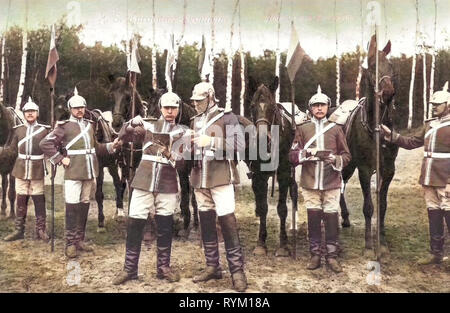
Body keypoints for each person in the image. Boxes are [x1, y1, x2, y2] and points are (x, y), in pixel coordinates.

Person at [112, 91, 187, 285]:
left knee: (165, 225)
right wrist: (130, 123)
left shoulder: (182, 131)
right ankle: (130, 269)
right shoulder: (148, 126)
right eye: (166, 107)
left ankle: (163, 268)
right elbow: (125, 136)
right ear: (160, 108)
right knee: (135, 221)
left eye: (174, 108)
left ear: (178, 109)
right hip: (144, 179)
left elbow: (182, 165)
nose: (170, 111)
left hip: (167, 182)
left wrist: (170, 154)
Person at [39, 88, 119, 258]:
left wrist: (112, 146)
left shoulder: (90, 126)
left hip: (90, 172)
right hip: (73, 172)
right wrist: (60, 158)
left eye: (82, 107)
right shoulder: (63, 127)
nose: (79, 111)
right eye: (76, 108)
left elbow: (96, 148)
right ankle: (70, 243)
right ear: (70, 109)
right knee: (72, 206)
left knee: (84, 205)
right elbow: (45, 144)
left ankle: (80, 240)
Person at [381, 82, 450, 265]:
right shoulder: (429, 125)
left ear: (448, 105)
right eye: (433, 105)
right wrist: (392, 136)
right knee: (433, 214)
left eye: (438, 105)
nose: (434, 107)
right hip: (428, 178)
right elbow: (412, 142)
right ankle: (435, 253)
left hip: (446, 180)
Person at [189, 81, 247, 292]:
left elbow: (240, 146)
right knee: (206, 222)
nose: (196, 105)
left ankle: (238, 271)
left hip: (221, 177)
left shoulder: (228, 117)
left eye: (200, 101)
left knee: (228, 223)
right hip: (199, 177)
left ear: (211, 98)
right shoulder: (193, 120)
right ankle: (212, 266)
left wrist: (211, 141)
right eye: (194, 101)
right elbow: (191, 149)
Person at [289, 85, 351, 273]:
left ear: (328, 107)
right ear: (310, 108)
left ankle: (331, 255)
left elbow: (347, 156)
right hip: (310, 181)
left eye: (322, 105)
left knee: (332, 217)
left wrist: (335, 159)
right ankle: (315, 254)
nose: (319, 109)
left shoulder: (336, 129)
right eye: (315, 105)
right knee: (313, 217)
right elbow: (292, 156)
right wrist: (304, 154)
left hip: (331, 180)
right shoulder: (302, 129)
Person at [2, 97, 51, 242]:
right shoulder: (17, 131)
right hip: (21, 168)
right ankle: (19, 230)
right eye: (27, 111)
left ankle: (41, 229)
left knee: (38, 198)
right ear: (23, 114)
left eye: (33, 111)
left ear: (37, 113)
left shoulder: (44, 130)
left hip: (37, 168)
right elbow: (11, 150)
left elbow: (51, 149)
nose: (30, 114)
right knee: (21, 198)